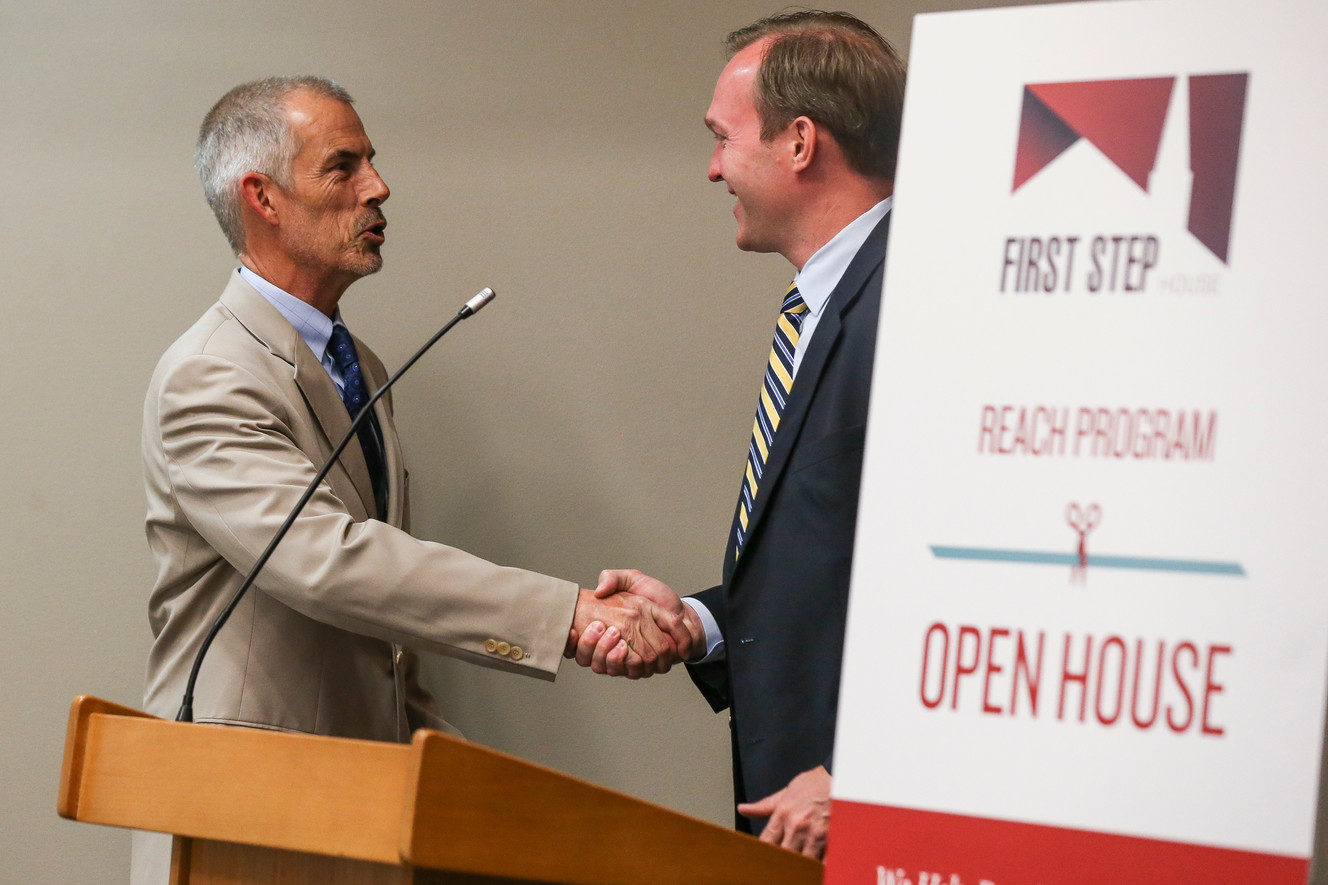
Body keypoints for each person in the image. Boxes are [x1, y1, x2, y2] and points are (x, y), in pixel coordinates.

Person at [132, 76, 692, 884]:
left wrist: (470, 785)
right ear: (263, 197)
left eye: (373, 162)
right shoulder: (209, 375)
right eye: (343, 166)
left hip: (354, 813)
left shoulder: (362, 369)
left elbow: (379, 634)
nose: (379, 187)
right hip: (241, 824)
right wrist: (569, 613)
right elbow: (330, 561)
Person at [572, 11, 905, 862]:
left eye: (723, 137)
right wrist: (695, 621)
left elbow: (962, 578)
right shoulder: (834, 299)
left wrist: (866, 772)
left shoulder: (915, 298)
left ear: (800, 142)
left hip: (875, 814)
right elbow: (832, 563)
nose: (712, 165)